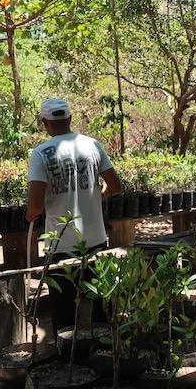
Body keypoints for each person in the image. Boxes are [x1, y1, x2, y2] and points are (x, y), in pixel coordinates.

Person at [26, 98, 122, 337]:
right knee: (102, 311)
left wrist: (31, 214)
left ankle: (68, 363)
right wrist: (102, 192)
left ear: (44, 123)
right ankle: (104, 360)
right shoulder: (92, 145)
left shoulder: (40, 155)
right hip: (96, 243)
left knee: (64, 317)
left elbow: (36, 205)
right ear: (70, 119)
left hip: (61, 247)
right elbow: (116, 186)